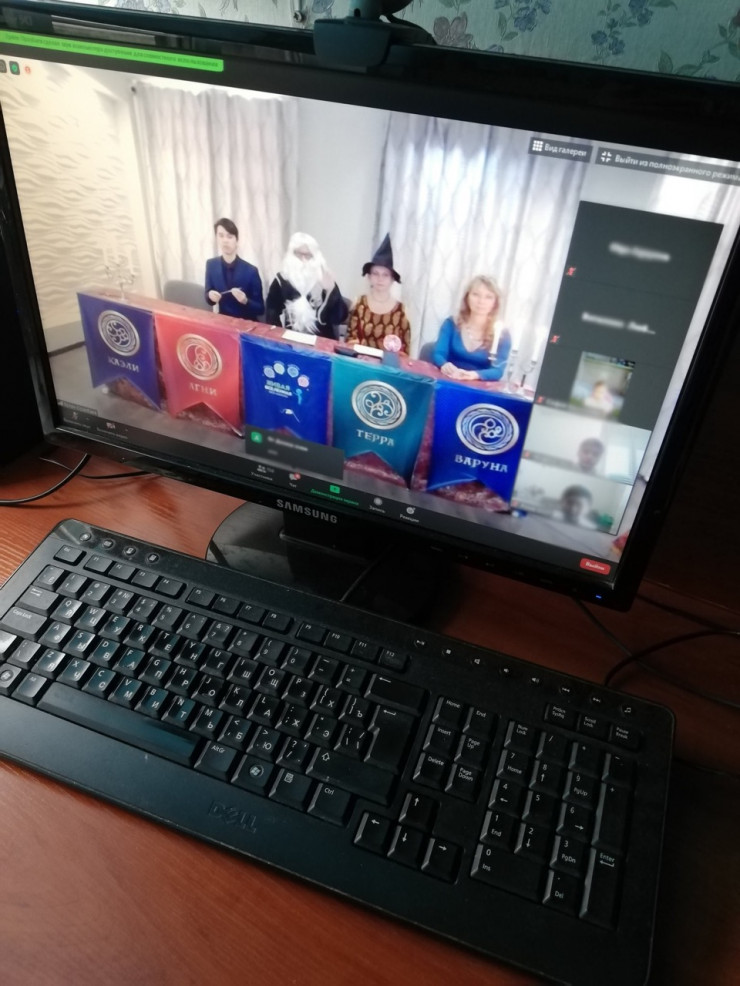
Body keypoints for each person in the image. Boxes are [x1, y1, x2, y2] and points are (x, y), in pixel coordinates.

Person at [265, 232, 348, 339]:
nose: (303, 260)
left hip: (321, 340)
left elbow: (340, 317)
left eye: (308, 255)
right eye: (299, 254)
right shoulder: (282, 279)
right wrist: (278, 336)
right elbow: (271, 311)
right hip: (292, 338)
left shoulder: (323, 277)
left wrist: (331, 290)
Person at [432, 275, 511, 381]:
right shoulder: (451, 323)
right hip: (448, 379)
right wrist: (444, 364)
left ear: (495, 303)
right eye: (475, 294)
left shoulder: (502, 335)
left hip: (479, 386)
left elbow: (498, 370)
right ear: (467, 297)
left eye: (488, 297)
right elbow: (439, 354)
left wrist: (474, 375)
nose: (481, 301)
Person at [346, 234, 410, 352]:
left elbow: (404, 351)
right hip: (360, 361)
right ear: (369, 277)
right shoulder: (359, 304)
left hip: (388, 363)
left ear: (392, 279)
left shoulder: (401, 311)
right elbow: (350, 341)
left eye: (385, 275)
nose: (380, 279)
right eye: (376, 273)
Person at [204, 218, 264, 320]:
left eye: (229, 236)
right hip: (223, 323)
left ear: (237, 240)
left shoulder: (251, 271)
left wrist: (245, 300)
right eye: (221, 236)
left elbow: (261, 309)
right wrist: (210, 296)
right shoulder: (211, 265)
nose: (225, 240)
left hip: (245, 324)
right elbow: (208, 296)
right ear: (216, 238)